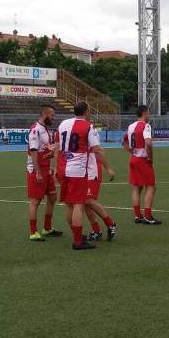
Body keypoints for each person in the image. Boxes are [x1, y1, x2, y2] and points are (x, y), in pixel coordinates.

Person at [56, 101, 114, 250]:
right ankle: (79, 240)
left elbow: (57, 145)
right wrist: (108, 167)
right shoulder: (88, 127)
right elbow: (98, 150)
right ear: (87, 111)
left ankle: (84, 234)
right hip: (78, 170)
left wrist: (56, 166)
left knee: (71, 204)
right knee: (79, 204)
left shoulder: (62, 124)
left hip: (64, 168)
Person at [26, 104, 62, 241]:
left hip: (46, 169)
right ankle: (33, 232)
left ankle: (47, 228)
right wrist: (38, 172)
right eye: (52, 115)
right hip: (37, 169)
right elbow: (34, 152)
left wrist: (52, 154)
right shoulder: (35, 130)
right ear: (45, 114)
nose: (54, 118)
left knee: (52, 198)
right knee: (35, 201)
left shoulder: (45, 130)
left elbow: (44, 150)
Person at [123, 105, 160, 225]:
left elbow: (124, 142)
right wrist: (150, 157)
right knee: (151, 186)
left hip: (133, 159)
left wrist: (132, 151)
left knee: (137, 188)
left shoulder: (131, 126)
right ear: (144, 113)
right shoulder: (146, 126)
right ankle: (148, 216)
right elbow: (148, 143)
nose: (149, 115)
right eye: (148, 113)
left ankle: (138, 215)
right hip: (142, 160)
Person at [84, 150, 118, 241]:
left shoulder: (91, 135)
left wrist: (108, 169)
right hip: (81, 171)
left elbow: (99, 151)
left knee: (88, 200)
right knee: (84, 202)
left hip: (92, 171)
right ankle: (96, 230)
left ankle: (110, 223)